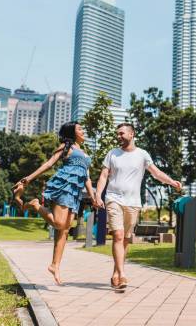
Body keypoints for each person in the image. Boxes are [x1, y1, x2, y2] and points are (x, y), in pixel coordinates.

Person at [94, 123, 182, 290]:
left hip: (133, 202)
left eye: (121, 133)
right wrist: (98, 194)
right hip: (113, 198)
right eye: (117, 134)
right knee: (118, 236)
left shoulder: (142, 154)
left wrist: (171, 182)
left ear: (132, 134)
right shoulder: (112, 153)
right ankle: (122, 274)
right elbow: (104, 175)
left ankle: (115, 272)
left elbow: (156, 173)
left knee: (125, 239)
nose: (118, 136)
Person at [12, 121, 97, 285]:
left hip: (75, 192)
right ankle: (36, 205)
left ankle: (55, 265)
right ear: (72, 133)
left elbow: (87, 177)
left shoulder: (84, 153)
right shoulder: (67, 146)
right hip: (63, 186)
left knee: (65, 229)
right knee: (59, 224)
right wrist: (28, 178)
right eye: (80, 129)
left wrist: (93, 198)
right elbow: (49, 163)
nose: (83, 131)